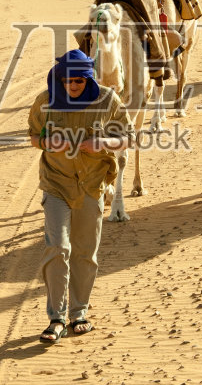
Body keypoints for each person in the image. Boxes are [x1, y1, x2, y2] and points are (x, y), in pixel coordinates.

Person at [27, 49, 132, 344]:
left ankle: (79, 313)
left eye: (79, 81)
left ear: (89, 78)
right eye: (67, 81)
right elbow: (33, 137)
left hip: (91, 186)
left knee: (85, 253)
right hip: (56, 184)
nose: (73, 86)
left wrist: (103, 142)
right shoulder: (45, 101)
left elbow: (128, 137)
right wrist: (47, 142)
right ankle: (57, 318)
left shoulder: (107, 100)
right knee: (57, 247)